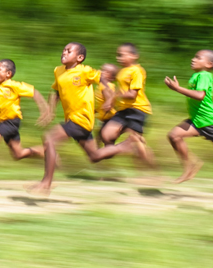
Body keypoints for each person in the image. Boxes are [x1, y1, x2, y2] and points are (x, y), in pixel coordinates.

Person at [26, 43, 141, 196]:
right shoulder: (58, 71)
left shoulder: (85, 71)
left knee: (49, 139)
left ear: (79, 58)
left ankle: (46, 183)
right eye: (64, 49)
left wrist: (108, 99)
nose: (64, 52)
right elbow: (56, 91)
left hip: (81, 119)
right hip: (72, 120)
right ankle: (125, 146)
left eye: (69, 51)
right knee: (94, 156)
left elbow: (103, 80)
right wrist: (51, 110)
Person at [164, 50, 213, 184]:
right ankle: (191, 165)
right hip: (197, 121)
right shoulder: (200, 76)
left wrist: (177, 89)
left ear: (209, 64)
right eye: (194, 56)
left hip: (211, 122)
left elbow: (200, 95)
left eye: (198, 57)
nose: (193, 59)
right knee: (174, 135)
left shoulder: (203, 75)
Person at [99, 43, 156, 168]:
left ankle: (153, 171)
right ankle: (127, 147)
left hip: (137, 110)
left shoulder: (137, 71)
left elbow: (132, 95)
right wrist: (110, 103)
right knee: (106, 135)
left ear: (134, 56)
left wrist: (115, 97)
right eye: (117, 55)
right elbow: (117, 89)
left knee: (138, 146)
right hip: (123, 110)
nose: (119, 57)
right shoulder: (121, 72)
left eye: (122, 55)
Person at [94, 63, 118, 147]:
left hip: (108, 117)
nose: (101, 71)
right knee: (101, 137)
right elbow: (102, 101)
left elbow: (109, 99)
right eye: (101, 69)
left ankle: (101, 153)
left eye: (105, 71)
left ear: (110, 77)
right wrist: (95, 110)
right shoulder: (106, 85)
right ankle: (102, 153)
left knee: (103, 137)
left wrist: (107, 107)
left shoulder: (105, 86)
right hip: (106, 116)